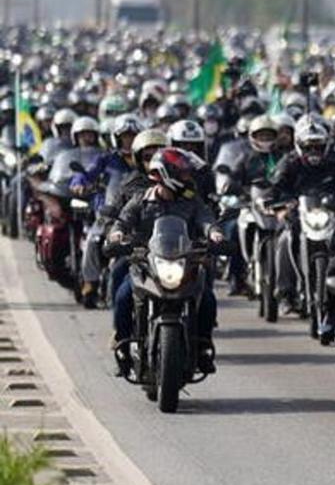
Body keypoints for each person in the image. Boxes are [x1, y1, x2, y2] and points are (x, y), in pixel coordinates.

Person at [107, 147, 225, 376]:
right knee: (123, 296)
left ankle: (202, 348)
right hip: (145, 262)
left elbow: (205, 219)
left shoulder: (191, 201)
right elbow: (123, 221)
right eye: (181, 174)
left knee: (208, 298)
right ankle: (122, 346)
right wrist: (117, 234)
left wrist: (214, 233)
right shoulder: (141, 199)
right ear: (166, 174)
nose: (187, 178)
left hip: (184, 261)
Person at [271, 118, 335, 312]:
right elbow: (276, 188)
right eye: (308, 147)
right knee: (284, 239)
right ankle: (285, 293)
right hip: (296, 213)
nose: (314, 152)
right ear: (298, 146)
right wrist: (283, 205)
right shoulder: (289, 162)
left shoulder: (334, 161)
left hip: (327, 213)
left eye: (318, 147)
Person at [70, 114, 142, 308]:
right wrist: (79, 184)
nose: (129, 140)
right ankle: (90, 283)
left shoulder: (146, 161)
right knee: (93, 241)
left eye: (133, 137)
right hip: (108, 214)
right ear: (116, 138)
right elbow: (85, 174)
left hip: (140, 215)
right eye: (125, 137)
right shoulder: (106, 159)